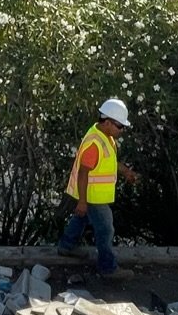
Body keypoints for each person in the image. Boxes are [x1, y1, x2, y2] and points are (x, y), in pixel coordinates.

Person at [56, 98, 138, 278]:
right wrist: (83, 201)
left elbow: (108, 162)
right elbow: (83, 173)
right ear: (107, 122)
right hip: (93, 197)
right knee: (106, 230)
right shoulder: (95, 143)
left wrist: (125, 171)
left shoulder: (104, 137)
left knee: (81, 219)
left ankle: (66, 246)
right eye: (120, 126)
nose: (122, 130)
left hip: (92, 196)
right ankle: (108, 268)